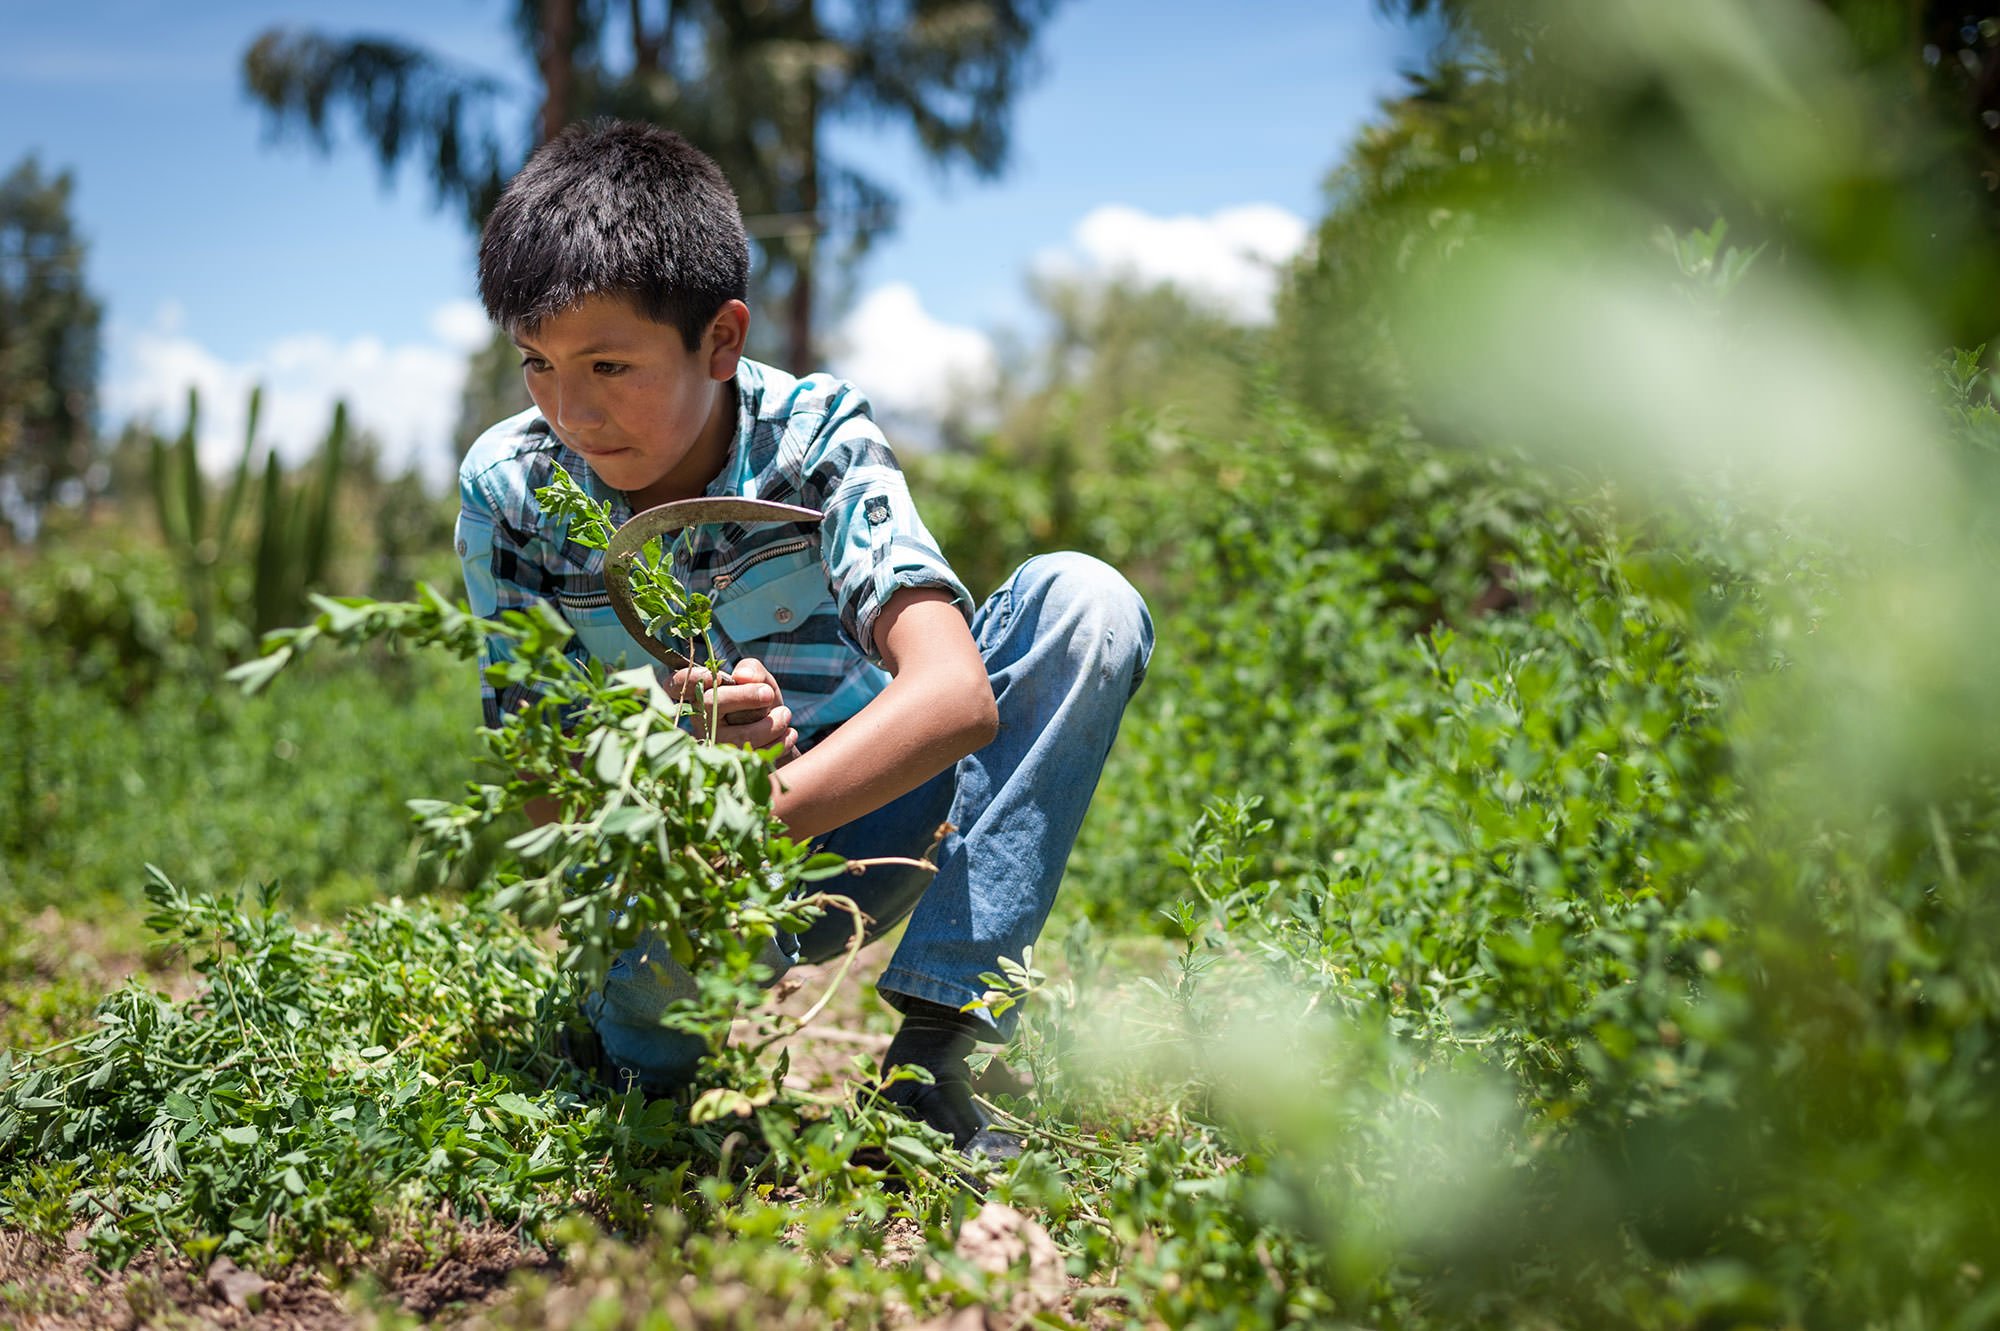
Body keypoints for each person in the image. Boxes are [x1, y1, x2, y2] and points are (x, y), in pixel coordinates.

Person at [455, 119, 1152, 1163]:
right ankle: (637, 1065)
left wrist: (762, 807)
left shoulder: (816, 439)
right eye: (536, 367)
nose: (571, 411)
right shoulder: (513, 489)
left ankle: (938, 1054)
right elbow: (539, 783)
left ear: (721, 339)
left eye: (607, 363)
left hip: (872, 827)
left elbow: (955, 694)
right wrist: (669, 775)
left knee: (1081, 601)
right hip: (668, 877)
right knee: (634, 1107)